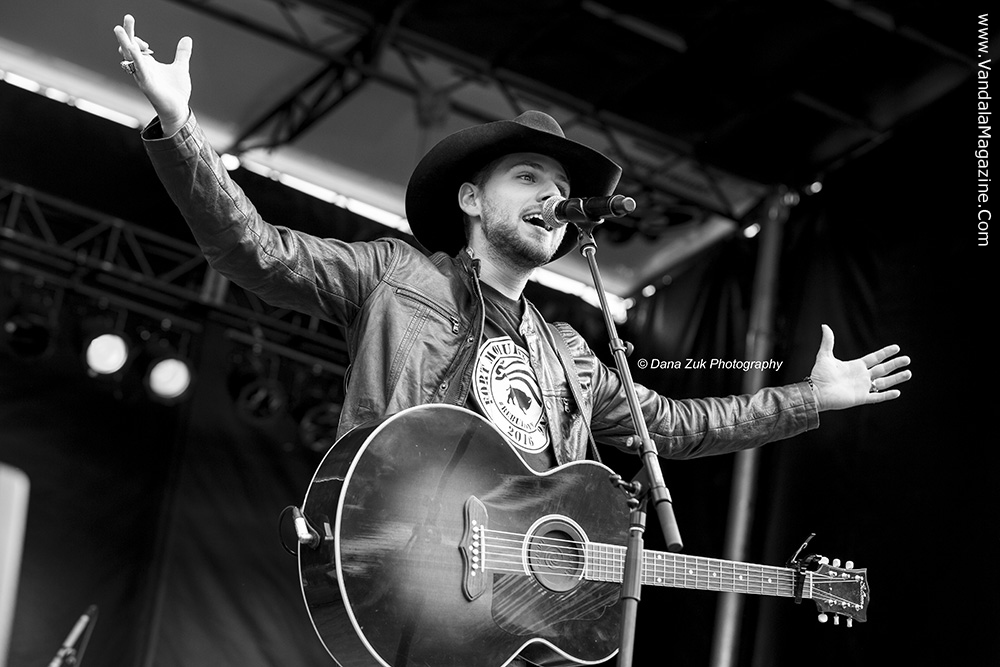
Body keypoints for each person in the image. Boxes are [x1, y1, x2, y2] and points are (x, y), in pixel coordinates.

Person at [113, 12, 910, 663]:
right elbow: (254, 250)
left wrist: (811, 395)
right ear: (470, 196)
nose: (553, 196)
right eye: (530, 176)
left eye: (563, 190)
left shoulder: (568, 352)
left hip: (511, 616)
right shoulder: (398, 277)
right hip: (407, 567)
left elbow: (672, 425)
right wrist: (179, 127)